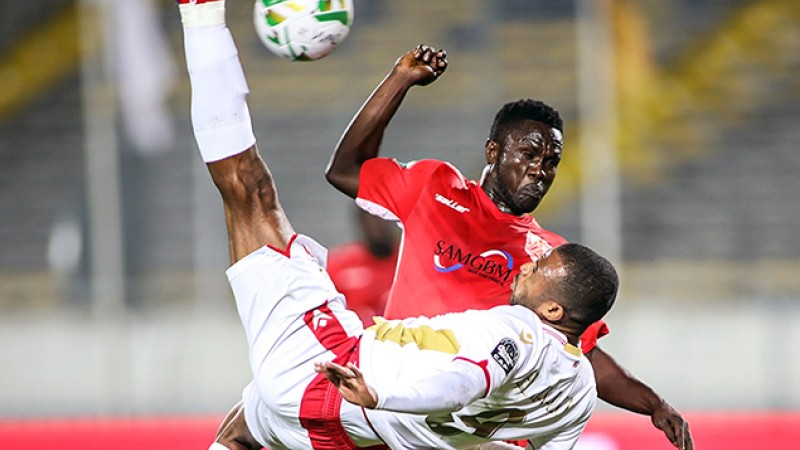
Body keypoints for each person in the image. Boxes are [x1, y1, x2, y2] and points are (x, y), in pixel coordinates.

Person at [177, 1, 619, 449]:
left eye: (538, 270)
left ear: (553, 310)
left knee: (249, 190)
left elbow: (465, 380)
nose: (527, 267)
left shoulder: (512, 330)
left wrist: (381, 393)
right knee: (243, 432)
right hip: (361, 435)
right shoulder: (577, 392)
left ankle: (201, 15)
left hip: (339, 372)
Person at [325, 45, 693, 450]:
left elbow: (583, 354)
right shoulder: (434, 187)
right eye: (530, 154)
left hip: (466, 431)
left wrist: (654, 404)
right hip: (394, 404)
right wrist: (400, 80)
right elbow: (344, 169)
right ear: (493, 152)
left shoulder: (550, 258)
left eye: (552, 160)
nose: (542, 169)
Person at [327, 208, 399, 327]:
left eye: (381, 219)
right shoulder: (340, 265)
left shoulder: (408, 262)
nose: (378, 226)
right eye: (371, 219)